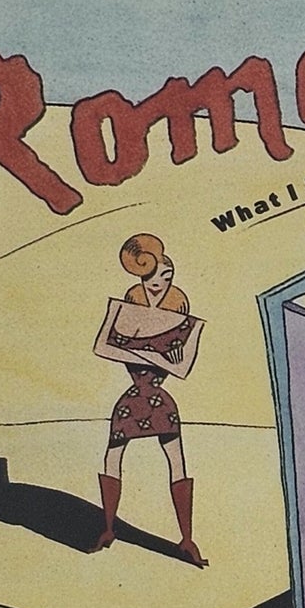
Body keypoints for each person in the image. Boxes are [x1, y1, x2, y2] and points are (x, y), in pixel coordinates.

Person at [90, 234, 206, 567]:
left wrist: (141, 352)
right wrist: (154, 355)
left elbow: (181, 367)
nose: (159, 283)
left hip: (159, 400)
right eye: (153, 277)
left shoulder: (179, 317)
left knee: (177, 462)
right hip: (132, 400)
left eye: (167, 277)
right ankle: (108, 528)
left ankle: (187, 539)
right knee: (112, 457)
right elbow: (102, 346)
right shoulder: (127, 311)